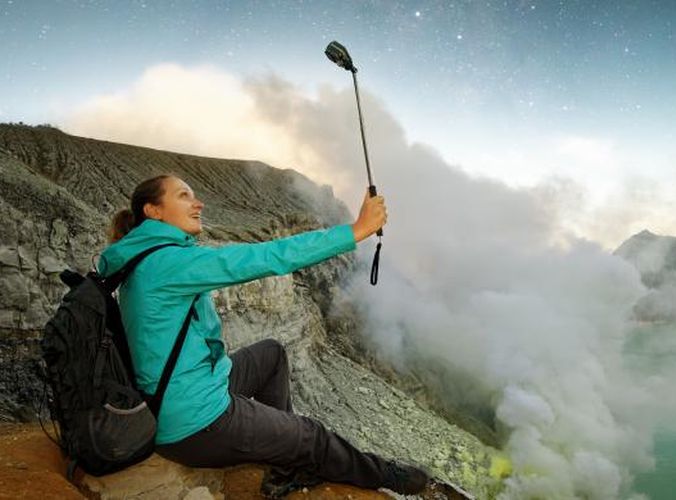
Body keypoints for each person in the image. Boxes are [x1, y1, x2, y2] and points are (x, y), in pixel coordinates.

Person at [97, 174, 428, 497]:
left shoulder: (145, 256)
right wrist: (355, 232)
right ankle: (387, 475)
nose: (198, 203)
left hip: (181, 395)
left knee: (271, 353)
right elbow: (267, 257)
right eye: (183, 195)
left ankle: (285, 460)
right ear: (152, 212)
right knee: (312, 436)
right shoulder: (167, 262)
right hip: (194, 424)